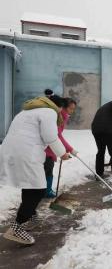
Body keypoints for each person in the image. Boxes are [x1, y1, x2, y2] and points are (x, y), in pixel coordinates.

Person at [0, 94, 70, 245]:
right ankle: (16, 228)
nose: (60, 113)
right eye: (61, 109)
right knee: (38, 189)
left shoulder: (26, 111)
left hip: (11, 150)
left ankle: (31, 216)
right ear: (57, 106)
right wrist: (62, 153)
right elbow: (50, 136)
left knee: (30, 185)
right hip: (26, 153)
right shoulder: (49, 112)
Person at [44, 91, 77, 198]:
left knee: (47, 169)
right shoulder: (59, 116)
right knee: (47, 169)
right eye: (71, 108)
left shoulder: (61, 116)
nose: (72, 111)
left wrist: (68, 149)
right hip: (47, 148)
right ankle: (46, 191)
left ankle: (45, 190)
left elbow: (58, 135)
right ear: (63, 107)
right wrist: (67, 149)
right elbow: (56, 136)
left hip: (48, 147)